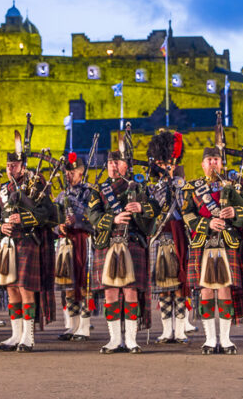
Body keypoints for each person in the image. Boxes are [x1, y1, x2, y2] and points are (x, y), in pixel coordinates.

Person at [181, 141, 243, 354]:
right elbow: (187, 215)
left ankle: (226, 339)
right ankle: (210, 339)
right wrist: (207, 223)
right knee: (205, 291)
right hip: (202, 243)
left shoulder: (233, 186)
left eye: (216, 160)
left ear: (221, 163)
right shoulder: (192, 187)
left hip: (226, 243)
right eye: (209, 160)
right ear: (202, 164)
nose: (212, 163)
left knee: (224, 290)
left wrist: (235, 212)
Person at [0, 122, 58, 353]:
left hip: (28, 241)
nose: (10, 168)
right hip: (8, 243)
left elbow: (47, 212)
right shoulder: (3, 189)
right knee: (11, 288)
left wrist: (23, 219)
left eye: (14, 164)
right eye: (8, 165)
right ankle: (15, 335)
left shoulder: (36, 184)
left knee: (25, 288)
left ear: (23, 165)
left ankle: (28, 337)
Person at [87, 129, 157, 354]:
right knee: (110, 291)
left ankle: (132, 339)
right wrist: (113, 218)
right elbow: (93, 216)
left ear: (126, 165)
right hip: (108, 242)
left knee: (130, 290)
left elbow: (155, 207)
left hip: (132, 242)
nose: (113, 167)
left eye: (117, 163)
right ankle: (114, 339)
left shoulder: (138, 187)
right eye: (110, 163)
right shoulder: (99, 189)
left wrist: (141, 207)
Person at [146, 129, 192, 344]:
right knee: (163, 288)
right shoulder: (151, 186)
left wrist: (176, 184)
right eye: (163, 164)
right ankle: (166, 329)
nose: (166, 168)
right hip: (159, 237)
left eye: (170, 164)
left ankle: (181, 329)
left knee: (179, 287)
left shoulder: (184, 186)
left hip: (178, 238)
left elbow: (185, 208)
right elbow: (151, 212)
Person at [53, 153, 94, 342]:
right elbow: (52, 218)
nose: (68, 175)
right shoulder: (61, 195)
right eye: (67, 172)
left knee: (84, 286)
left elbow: (95, 220)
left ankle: (84, 327)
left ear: (81, 173)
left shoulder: (90, 193)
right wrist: (59, 225)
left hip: (83, 242)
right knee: (69, 285)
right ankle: (73, 325)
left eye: (73, 172)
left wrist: (77, 220)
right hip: (66, 243)